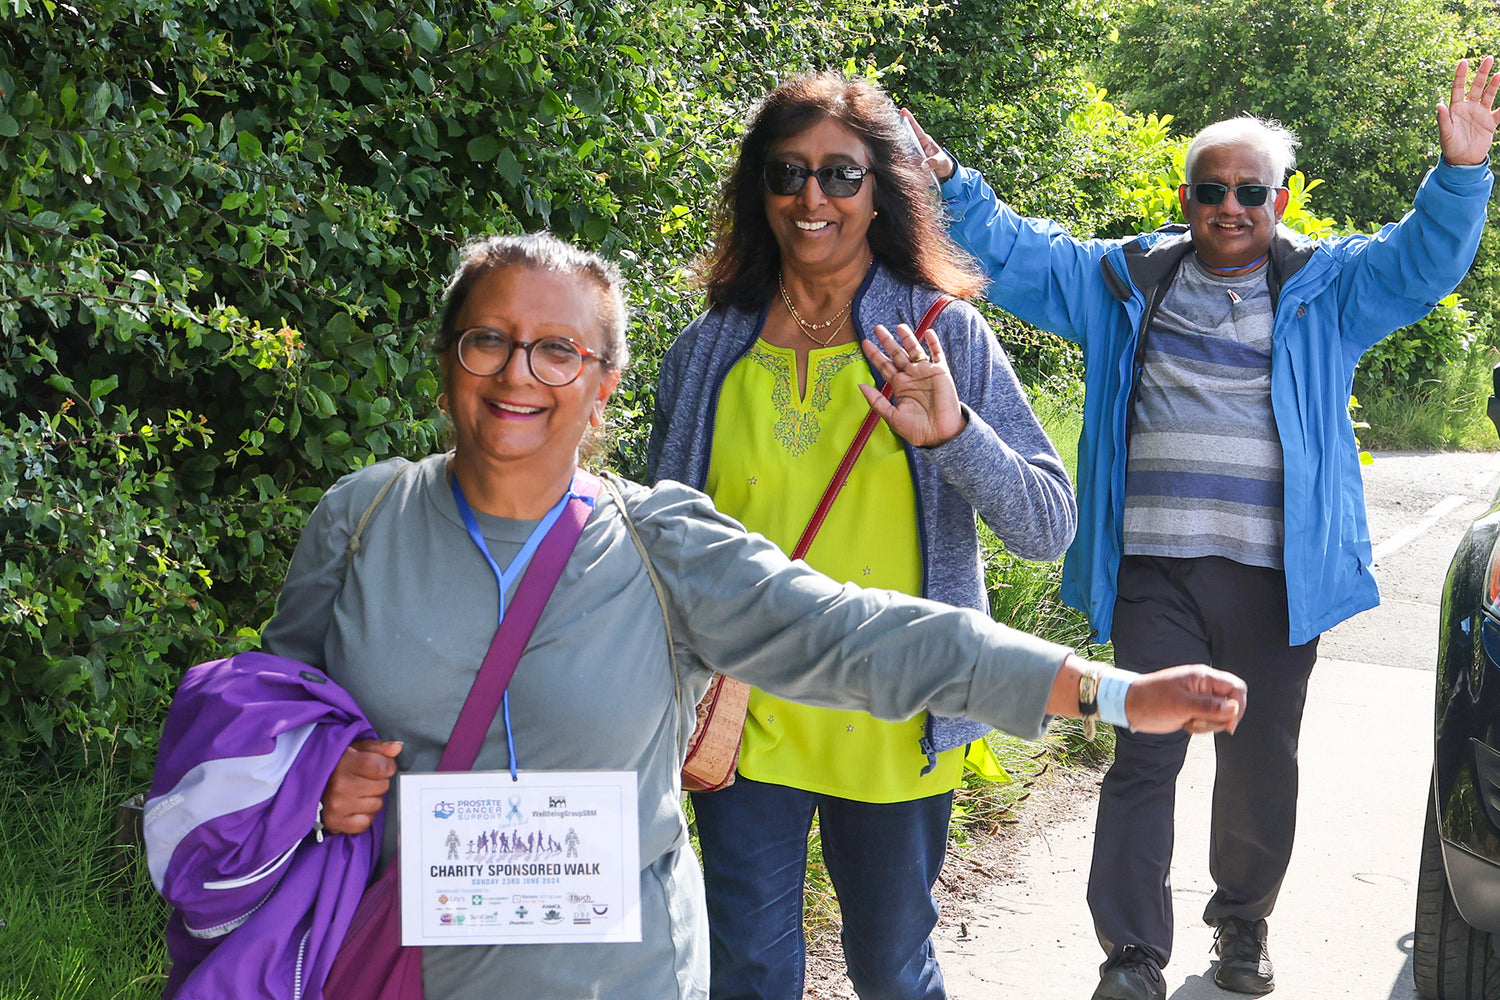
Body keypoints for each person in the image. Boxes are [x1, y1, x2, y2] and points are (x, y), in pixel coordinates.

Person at [242, 231, 1246, 999]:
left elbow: (859, 632)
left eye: (558, 351)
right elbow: (272, 718)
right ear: (448, 357)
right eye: (488, 340)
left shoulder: (657, 544)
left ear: (603, 386)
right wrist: (310, 782)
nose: (517, 374)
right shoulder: (362, 516)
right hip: (395, 961)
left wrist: (1108, 691)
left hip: (616, 975)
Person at [905, 55, 1499, 1000]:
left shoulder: (1330, 287)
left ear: (1281, 197)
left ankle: (1242, 924)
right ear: (1187, 196)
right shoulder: (1123, 281)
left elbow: (1420, 262)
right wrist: (950, 186)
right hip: (1155, 574)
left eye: (1250, 191)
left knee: (1260, 764)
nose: (1231, 207)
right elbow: (1018, 255)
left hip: (1274, 581)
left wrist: (1461, 174)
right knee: (1143, 749)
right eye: (1213, 190)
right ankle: (1133, 956)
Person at [646, 72, 1077, 1000]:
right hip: (744, 716)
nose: (813, 198)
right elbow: (657, 542)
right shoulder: (709, 349)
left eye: (841, 175)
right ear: (756, 192)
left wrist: (959, 437)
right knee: (748, 972)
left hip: (897, 711)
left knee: (890, 968)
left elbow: (1047, 524)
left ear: (882, 191)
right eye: (787, 173)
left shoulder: (939, 334)